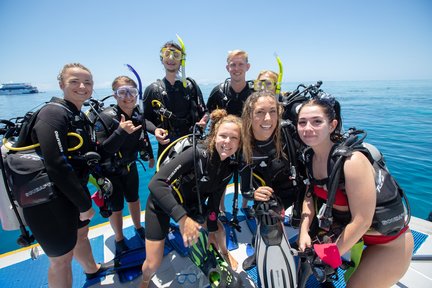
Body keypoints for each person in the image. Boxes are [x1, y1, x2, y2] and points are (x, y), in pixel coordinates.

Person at [296, 97, 414, 287]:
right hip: (350, 236)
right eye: (302, 122)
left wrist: (329, 256)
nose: (308, 127)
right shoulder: (309, 157)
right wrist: (303, 231)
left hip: (387, 243)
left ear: (332, 125)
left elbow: (362, 220)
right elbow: (309, 199)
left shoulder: (352, 162)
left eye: (317, 121)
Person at [21, 63, 104, 287]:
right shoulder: (53, 114)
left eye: (87, 82)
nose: (82, 86)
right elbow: (56, 164)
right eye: (74, 81)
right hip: (47, 200)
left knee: (81, 235)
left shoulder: (76, 114)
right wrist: (83, 204)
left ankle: (92, 270)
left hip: (70, 190)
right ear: (61, 85)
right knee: (61, 259)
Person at [140, 109, 242, 288]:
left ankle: (224, 253)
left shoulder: (229, 167)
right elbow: (156, 184)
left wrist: (210, 230)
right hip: (162, 203)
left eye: (234, 138)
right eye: (223, 136)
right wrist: (182, 218)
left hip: (192, 206)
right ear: (214, 136)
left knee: (219, 229)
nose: (228, 142)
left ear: (240, 142)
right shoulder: (197, 154)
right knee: (152, 264)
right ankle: (145, 281)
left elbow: (213, 203)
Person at [95, 76, 161, 254]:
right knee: (116, 207)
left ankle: (138, 227)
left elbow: (143, 125)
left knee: (134, 199)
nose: (128, 97)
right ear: (114, 95)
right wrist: (120, 132)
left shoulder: (137, 112)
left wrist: (155, 133)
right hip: (110, 171)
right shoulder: (105, 118)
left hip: (130, 166)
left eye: (132, 92)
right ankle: (119, 238)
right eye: (122, 92)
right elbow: (102, 151)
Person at [206, 49, 254, 218]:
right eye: (233, 64)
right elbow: (209, 116)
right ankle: (220, 209)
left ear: (247, 67)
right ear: (227, 68)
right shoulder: (218, 91)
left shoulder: (255, 92)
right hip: (225, 144)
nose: (237, 68)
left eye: (241, 64)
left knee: (247, 175)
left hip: (246, 143)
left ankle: (245, 205)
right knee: (220, 177)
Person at [143, 40, 207, 158]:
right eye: (167, 54)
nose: (171, 58)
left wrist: (204, 121)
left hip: (191, 143)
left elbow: (204, 112)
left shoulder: (191, 86)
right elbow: (145, 119)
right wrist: (155, 131)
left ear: (182, 60)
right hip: (166, 145)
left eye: (176, 55)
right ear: (162, 58)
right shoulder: (152, 89)